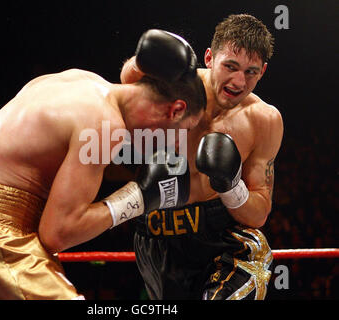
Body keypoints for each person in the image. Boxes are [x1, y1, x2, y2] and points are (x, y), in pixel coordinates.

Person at [0, 30, 207, 300]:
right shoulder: (104, 125)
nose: (172, 147)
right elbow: (57, 233)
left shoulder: (77, 79)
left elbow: (132, 75)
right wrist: (139, 197)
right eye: (183, 131)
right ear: (176, 110)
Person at [120, 14, 284, 300]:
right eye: (230, 67)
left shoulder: (264, 120)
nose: (238, 81)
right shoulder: (176, 87)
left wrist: (232, 187)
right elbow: (127, 82)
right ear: (209, 58)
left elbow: (259, 212)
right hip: (157, 235)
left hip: (223, 237)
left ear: (264, 72)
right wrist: (142, 59)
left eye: (251, 72)